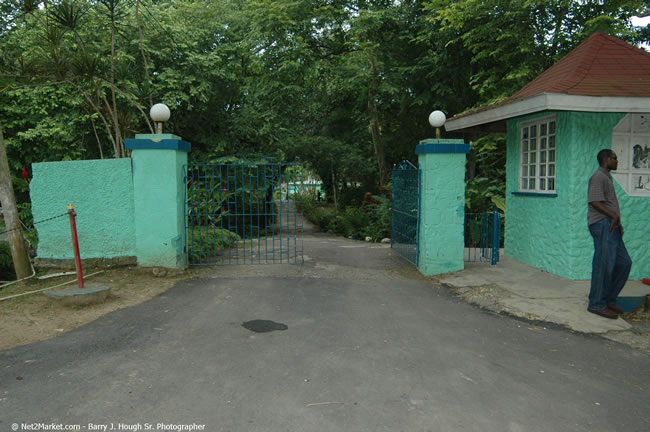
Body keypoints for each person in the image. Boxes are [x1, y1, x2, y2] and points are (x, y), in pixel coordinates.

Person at [586, 149, 632, 319]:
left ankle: (609, 300)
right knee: (603, 264)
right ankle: (596, 304)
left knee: (624, 263)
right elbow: (594, 201)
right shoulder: (598, 177)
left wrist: (617, 222)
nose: (617, 161)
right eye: (615, 158)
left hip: (611, 226)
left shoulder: (606, 177)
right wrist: (613, 216)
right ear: (606, 159)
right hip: (603, 224)